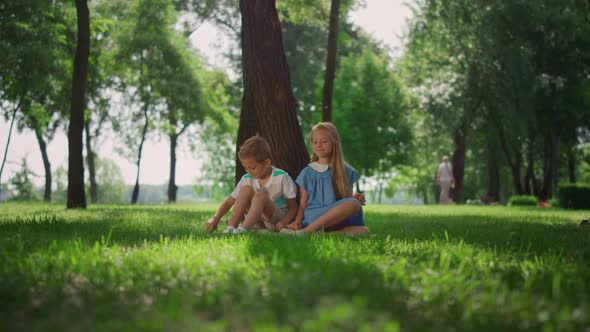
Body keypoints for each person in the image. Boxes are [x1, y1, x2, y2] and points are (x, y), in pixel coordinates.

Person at [284, 122, 369, 235]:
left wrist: (355, 199)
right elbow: (303, 203)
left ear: (334, 143)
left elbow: (346, 199)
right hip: (315, 216)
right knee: (354, 204)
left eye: (324, 141)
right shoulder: (307, 172)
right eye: (315, 142)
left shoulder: (347, 170)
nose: (319, 145)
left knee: (363, 230)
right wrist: (297, 221)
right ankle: (305, 231)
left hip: (337, 218)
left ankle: (320, 234)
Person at [205, 136, 298, 234]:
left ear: (267, 162)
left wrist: (285, 221)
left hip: (276, 220)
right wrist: (216, 218)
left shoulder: (282, 177)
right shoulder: (247, 178)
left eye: (253, 168)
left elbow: (293, 207)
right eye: (246, 168)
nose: (249, 172)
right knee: (245, 190)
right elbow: (229, 202)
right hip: (256, 222)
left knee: (261, 195)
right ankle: (230, 228)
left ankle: (242, 230)